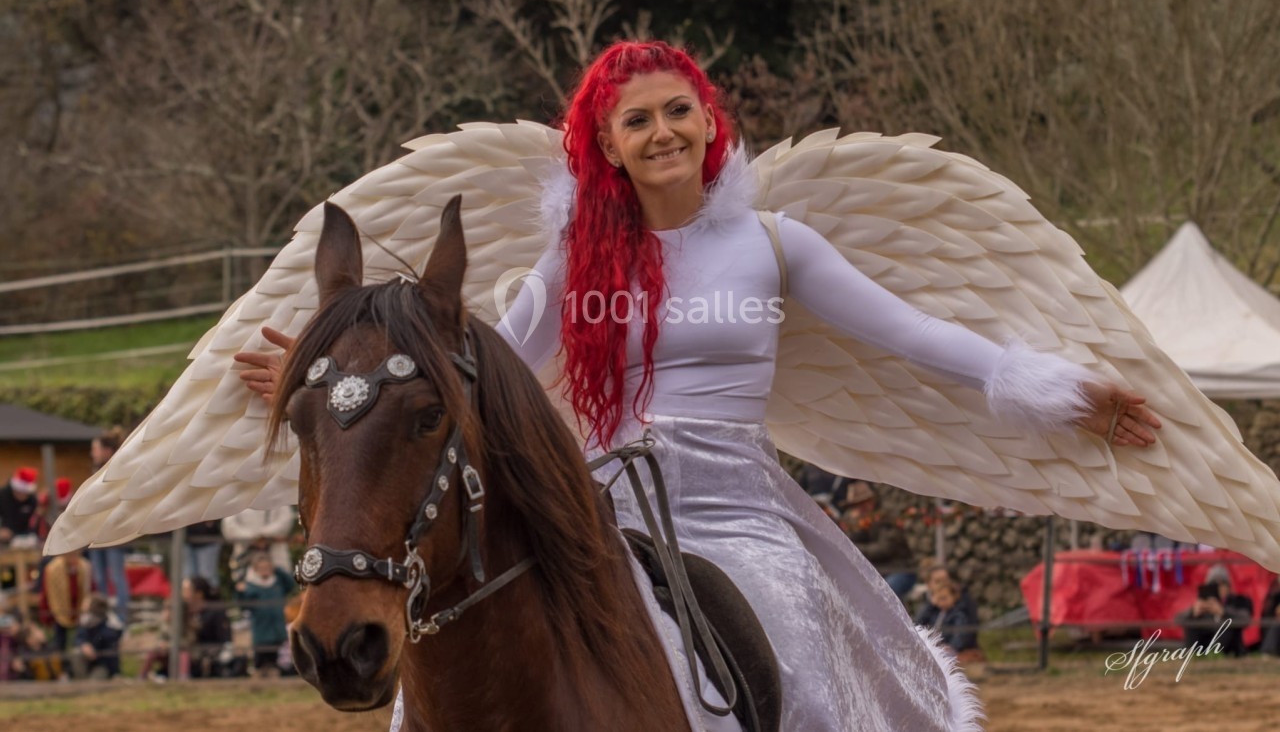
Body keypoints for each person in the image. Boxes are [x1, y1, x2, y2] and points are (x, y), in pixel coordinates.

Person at [236, 40, 1160, 730]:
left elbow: (910, 333)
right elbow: (482, 364)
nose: (661, 131)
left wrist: (1058, 389)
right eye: (635, 120)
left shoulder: (772, 245)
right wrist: (335, 377)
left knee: (798, 664)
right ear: (608, 144)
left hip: (736, 508)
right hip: (598, 509)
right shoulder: (576, 256)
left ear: (710, 122)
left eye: (677, 110)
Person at [840, 480, 918, 601]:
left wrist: (856, 549)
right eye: (856, 506)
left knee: (881, 597)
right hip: (878, 573)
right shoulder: (860, 523)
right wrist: (856, 529)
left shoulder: (885, 519)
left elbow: (884, 549)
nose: (859, 509)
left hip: (899, 570)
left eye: (862, 504)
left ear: (871, 502)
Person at [87, 429, 132, 621]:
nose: (93, 453)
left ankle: (121, 620)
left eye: (95, 449)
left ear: (107, 450)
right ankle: (104, 618)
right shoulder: (96, 470)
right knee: (99, 577)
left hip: (114, 530)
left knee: (116, 576)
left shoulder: (120, 469)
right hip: (96, 531)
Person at [234, 550, 296, 677]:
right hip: (261, 633)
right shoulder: (251, 587)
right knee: (260, 663)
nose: (265, 570)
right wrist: (240, 592)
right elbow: (243, 606)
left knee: (279, 663)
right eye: (261, 568)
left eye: (267, 567)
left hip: (278, 631)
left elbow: (291, 584)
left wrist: (278, 569)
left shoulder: (277, 582)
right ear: (255, 569)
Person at [1175, 564, 1253, 657]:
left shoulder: (1239, 600)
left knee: (1227, 624)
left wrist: (1223, 612)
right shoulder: (1203, 603)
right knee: (1192, 624)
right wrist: (1193, 613)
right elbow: (1177, 620)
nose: (1219, 588)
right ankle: (1192, 656)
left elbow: (1246, 619)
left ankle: (1216, 656)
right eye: (1214, 585)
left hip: (1229, 649)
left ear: (1228, 586)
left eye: (1222, 584)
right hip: (1203, 647)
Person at [40, 549, 93, 665]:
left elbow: (91, 589)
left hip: (80, 611)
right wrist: (46, 617)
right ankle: (61, 670)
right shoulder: (52, 568)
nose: (73, 557)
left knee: (79, 642)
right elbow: (46, 593)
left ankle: (77, 669)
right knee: (59, 644)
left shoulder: (85, 566)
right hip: (59, 610)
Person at [220, 506, 296, 583]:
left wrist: (264, 534)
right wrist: (253, 537)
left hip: (276, 551)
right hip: (246, 552)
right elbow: (229, 528)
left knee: (283, 581)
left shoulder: (280, 498)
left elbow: (286, 520)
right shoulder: (236, 501)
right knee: (246, 584)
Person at [915, 580, 980, 658]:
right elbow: (919, 624)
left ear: (954, 597)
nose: (941, 602)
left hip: (948, 651)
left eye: (944, 598)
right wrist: (930, 605)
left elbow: (960, 637)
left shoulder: (959, 614)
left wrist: (949, 647)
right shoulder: (935, 612)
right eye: (938, 599)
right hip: (933, 647)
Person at [73, 593, 124, 679]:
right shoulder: (85, 621)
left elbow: (110, 652)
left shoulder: (109, 626)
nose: (83, 605)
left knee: (95, 683)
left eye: (86, 603)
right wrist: (83, 644)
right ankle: (81, 682)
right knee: (76, 654)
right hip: (87, 661)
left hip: (102, 664)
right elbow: (79, 637)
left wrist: (95, 651)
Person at [0, 467, 39, 545]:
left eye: (25, 493)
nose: (22, 496)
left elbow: (32, 522)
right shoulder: (2, 496)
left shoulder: (32, 501)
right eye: (19, 492)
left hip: (22, 538)